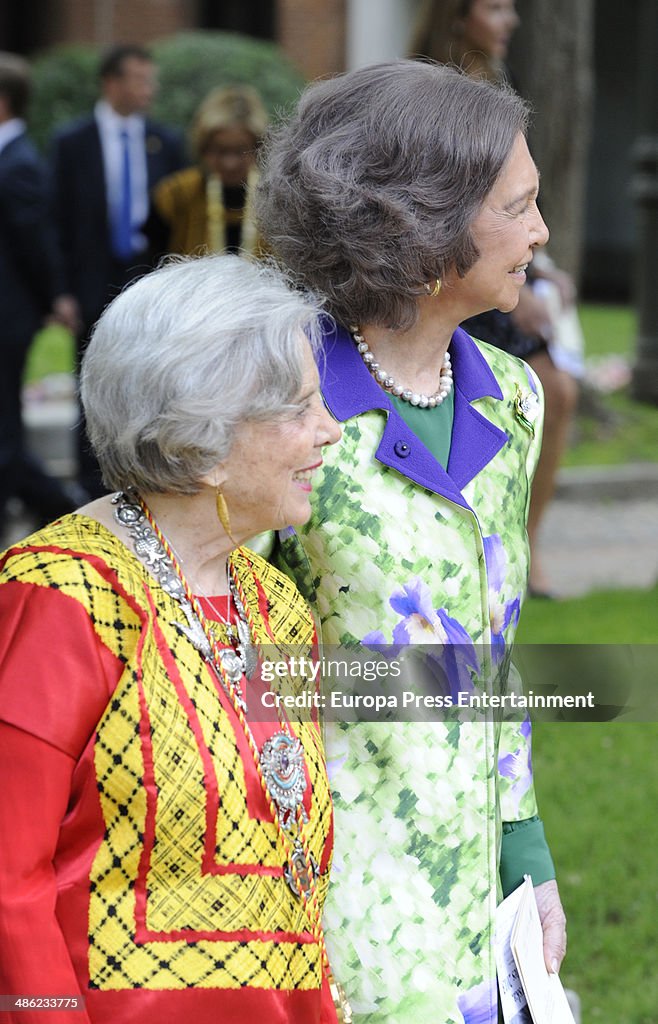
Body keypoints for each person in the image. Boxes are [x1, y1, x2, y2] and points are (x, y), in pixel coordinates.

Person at [256, 60, 567, 1023]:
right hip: (317, 893)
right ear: (422, 223)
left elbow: (495, 650)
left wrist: (529, 855)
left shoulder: (515, 400)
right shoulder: (270, 403)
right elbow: (212, 664)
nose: (541, 234)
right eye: (518, 207)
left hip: (476, 903)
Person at [0, 254, 344, 1024]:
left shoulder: (274, 603)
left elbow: (295, 865)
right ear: (204, 442)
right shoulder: (62, 598)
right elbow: (8, 888)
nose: (331, 430)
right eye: (299, 409)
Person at [409, 0, 582, 597]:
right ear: (458, 15)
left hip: (491, 268)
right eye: (495, 7)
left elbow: (513, 199)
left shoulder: (496, 83)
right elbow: (462, 215)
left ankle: (519, 545)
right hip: (452, 271)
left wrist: (540, 268)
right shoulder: (435, 88)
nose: (509, 21)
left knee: (551, 392)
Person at [50, 43, 187, 499]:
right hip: (92, 276)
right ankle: (91, 489)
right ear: (112, 82)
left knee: (150, 379)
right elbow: (58, 220)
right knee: (90, 380)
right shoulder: (73, 142)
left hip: (147, 277)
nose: (150, 89)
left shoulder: (164, 141)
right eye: (140, 79)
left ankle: (146, 477)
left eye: (152, 80)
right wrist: (61, 290)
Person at [0, 52, 80, 545]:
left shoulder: (21, 163)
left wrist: (56, 296)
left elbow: (36, 242)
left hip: (8, 320)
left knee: (5, 434)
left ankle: (59, 506)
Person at [147, 85, 268, 258]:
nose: (230, 163)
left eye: (240, 151)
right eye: (220, 151)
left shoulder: (276, 201)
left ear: (258, 148)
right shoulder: (175, 195)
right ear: (203, 148)